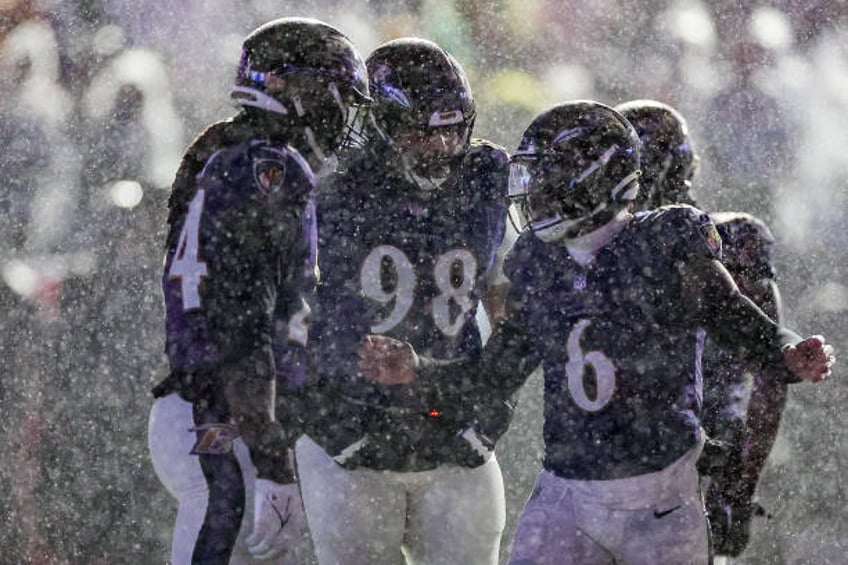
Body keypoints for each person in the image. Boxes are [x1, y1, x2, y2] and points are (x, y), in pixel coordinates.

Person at [359, 100, 835, 565]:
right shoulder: (539, 261)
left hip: (661, 492)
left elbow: (735, 316)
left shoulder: (665, 242)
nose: (534, 194)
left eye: (547, 179)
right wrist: (418, 372)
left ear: (592, 181)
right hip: (566, 489)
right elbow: (493, 377)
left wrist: (785, 352)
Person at [146, 17, 370, 564]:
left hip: (223, 405)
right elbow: (242, 325)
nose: (342, 118)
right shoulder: (267, 166)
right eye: (336, 98)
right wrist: (272, 457)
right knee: (221, 508)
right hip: (218, 412)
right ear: (293, 89)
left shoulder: (229, 150)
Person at [294, 37, 513, 565]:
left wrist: (492, 393)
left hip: (446, 413)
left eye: (453, 130)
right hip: (348, 422)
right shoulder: (328, 187)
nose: (442, 148)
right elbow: (284, 312)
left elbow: (507, 295)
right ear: (381, 127)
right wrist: (317, 410)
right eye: (422, 132)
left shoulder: (485, 175)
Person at [614, 98, 796, 558]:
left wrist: (739, 484)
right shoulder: (600, 247)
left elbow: (769, 372)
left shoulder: (733, 240)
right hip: (614, 450)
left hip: (699, 448)